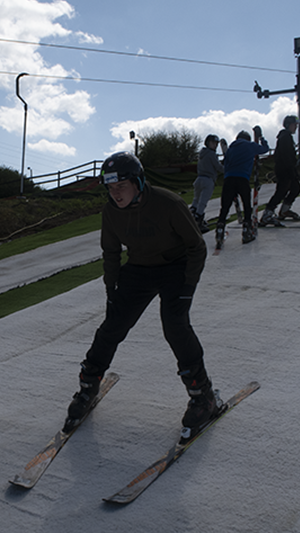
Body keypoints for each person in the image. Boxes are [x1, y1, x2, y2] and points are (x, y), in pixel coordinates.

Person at [66, 151, 222, 443]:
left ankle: (204, 397)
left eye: (121, 186)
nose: (115, 194)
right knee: (112, 326)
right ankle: (88, 385)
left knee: (175, 325)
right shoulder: (110, 212)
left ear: (138, 182)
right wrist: (111, 291)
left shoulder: (169, 203)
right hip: (139, 269)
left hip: (175, 268)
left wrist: (187, 288)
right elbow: (111, 252)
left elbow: (197, 247)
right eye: (110, 188)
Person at [215, 127, 269, 250]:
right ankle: (246, 231)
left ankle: (219, 229)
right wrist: (261, 138)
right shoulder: (250, 146)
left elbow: (225, 165)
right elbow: (265, 149)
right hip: (243, 178)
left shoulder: (230, 149)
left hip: (229, 179)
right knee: (247, 206)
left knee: (225, 207)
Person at [261, 115, 300, 226]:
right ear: (288, 125)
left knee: (296, 188)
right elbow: (285, 156)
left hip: (288, 169)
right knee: (281, 192)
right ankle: (267, 214)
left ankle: (284, 210)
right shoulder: (285, 137)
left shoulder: (286, 136)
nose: (296, 127)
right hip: (284, 170)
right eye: (294, 125)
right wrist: (291, 170)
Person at [190, 134, 226, 233]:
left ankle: (192, 216)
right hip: (208, 180)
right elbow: (218, 167)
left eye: (216, 144)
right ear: (207, 143)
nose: (215, 145)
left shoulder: (202, 153)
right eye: (213, 143)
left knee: (196, 200)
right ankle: (198, 221)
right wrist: (227, 170)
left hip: (199, 179)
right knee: (203, 202)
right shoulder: (211, 154)